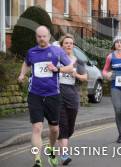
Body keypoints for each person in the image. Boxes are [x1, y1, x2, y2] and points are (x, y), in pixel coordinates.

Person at [18, 26, 73, 167]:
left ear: (49, 37)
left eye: (44, 36)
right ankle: (37, 159)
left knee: (54, 129)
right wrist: (22, 74)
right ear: (36, 37)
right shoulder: (31, 52)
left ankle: (50, 147)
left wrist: (57, 69)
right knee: (37, 128)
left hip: (53, 95)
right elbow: (26, 63)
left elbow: (70, 67)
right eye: (39, 36)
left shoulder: (57, 51)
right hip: (35, 95)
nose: (42, 39)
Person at [57, 34, 88, 165]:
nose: (69, 45)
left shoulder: (78, 61)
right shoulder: (56, 60)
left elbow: (85, 77)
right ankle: (64, 154)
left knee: (70, 127)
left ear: (73, 46)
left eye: (71, 43)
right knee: (62, 124)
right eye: (66, 43)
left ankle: (60, 142)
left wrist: (75, 74)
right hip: (57, 93)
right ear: (61, 45)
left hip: (72, 93)